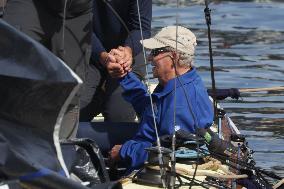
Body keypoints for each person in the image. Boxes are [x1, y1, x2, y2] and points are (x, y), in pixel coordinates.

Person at [108, 26, 214, 170]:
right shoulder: (174, 82)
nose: (150, 57)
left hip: (151, 160)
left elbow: (172, 154)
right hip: (144, 138)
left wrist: (124, 151)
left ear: (174, 57)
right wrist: (124, 75)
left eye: (155, 52)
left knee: (81, 138)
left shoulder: (180, 104)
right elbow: (149, 110)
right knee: (81, 132)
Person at [2, 0, 93, 138]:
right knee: (13, 72)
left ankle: (62, 152)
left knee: (71, 88)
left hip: (77, 11)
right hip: (30, 4)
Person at [79, 0, 152, 122]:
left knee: (118, 116)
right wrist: (103, 57)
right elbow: (79, 26)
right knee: (74, 113)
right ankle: (100, 95)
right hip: (90, 54)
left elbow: (141, 28)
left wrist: (127, 51)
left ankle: (106, 95)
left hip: (128, 54)